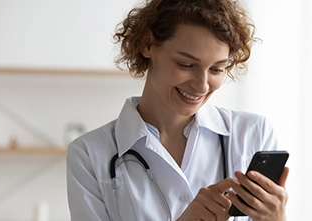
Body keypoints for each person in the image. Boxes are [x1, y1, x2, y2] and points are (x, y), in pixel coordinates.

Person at [66, 0, 290, 220]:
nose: (202, 85)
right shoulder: (89, 154)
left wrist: (277, 219)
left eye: (216, 69)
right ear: (148, 45)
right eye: (186, 65)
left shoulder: (253, 134)